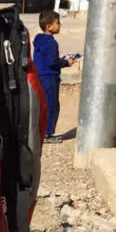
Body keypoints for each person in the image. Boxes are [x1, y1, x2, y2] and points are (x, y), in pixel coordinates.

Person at [33, 10, 73, 144]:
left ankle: (41, 132)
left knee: (42, 105)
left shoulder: (39, 40)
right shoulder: (51, 42)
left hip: (40, 77)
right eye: (57, 23)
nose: (60, 25)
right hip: (49, 78)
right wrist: (66, 63)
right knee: (52, 105)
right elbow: (53, 63)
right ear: (49, 26)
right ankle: (47, 134)